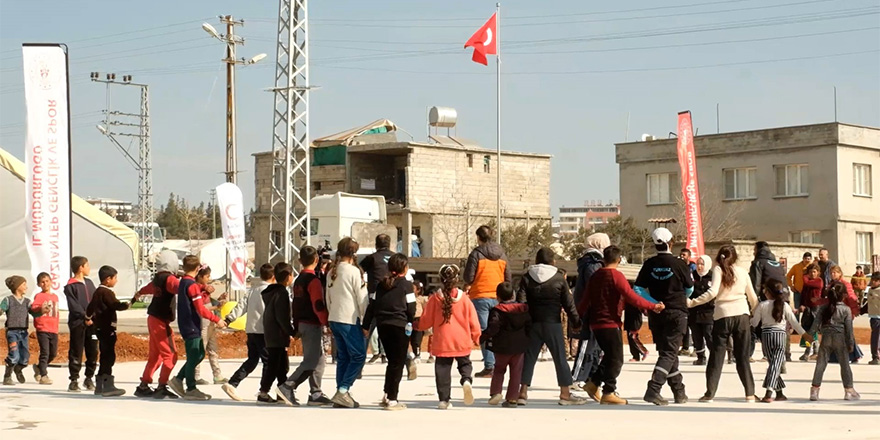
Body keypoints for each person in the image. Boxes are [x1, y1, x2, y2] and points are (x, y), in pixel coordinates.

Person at [580, 246, 665, 405]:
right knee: (617, 359)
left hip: (596, 323)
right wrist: (653, 306)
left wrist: (576, 318)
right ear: (619, 260)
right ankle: (608, 392)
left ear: (604, 259)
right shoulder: (617, 276)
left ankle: (593, 384)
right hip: (610, 323)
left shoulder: (595, 276)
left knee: (610, 356)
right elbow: (632, 297)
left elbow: (585, 300)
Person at [688, 245, 759, 403]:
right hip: (742, 315)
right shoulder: (742, 271)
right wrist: (754, 314)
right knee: (742, 357)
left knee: (716, 356)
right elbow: (753, 297)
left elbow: (712, 293)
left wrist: (692, 303)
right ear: (735, 257)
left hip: (723, 316)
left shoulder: (718, 270)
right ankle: (750, 394)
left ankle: (710, 393)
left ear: (719, 257)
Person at [517, 247, 586, 406]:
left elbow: (521, 302)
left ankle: (522, 393)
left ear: (536, 260)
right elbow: (568, 303)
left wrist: (522, 322)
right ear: (553, 261)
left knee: (529, 357)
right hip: (553, 323)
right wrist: (576, 322)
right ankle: (565, 394)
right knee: (560, 358)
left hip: (533, 323)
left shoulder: (527, 277)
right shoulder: (558, 278)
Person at [634, 228, 694, 406]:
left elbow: (637, 289)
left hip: (656, 313)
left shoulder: (649, 263)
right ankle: (654, 389)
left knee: (667, 352)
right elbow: (689, 287)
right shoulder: (679, 263)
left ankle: (679, 391)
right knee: (669, 352)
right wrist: (682, 297)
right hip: (676, 311)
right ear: (671, 242)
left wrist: (653, 303)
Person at [416, 264, 481, 410]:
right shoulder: (464, 299)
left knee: (442, 370)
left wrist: (417, 325)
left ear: (440, 279)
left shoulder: (434, 298)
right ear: (457, 279)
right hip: (461, 340)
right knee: (465, 363)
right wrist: (477, 336)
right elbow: (473, 320)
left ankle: (444, 400)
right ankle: (466, 380)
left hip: (442, 342)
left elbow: (426, 321)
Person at [278, 248, 334, 407]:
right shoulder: (313, 281)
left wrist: (295, 325)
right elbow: (318, 304)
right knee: (311, 361)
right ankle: (288, 386)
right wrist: (326, 322)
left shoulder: (298, 280)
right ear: (316, 260)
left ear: (300, 261)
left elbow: (296, 305)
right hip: (312, 323)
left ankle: (315, 393)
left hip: (302, 322)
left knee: (320, 360)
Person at [360, 253, 416, 411]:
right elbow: (411, 307)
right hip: (399, 326)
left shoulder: (380, 285)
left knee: (392, 362)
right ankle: (392, 398)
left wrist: (365, 326)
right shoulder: (406, 285)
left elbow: (372, 306)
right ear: (404, 268)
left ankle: (386, 393)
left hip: (383, 325)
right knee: (397, 364)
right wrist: (412, 322)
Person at [168, 256, 227, 401]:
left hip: (187, 323)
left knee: (199, 353)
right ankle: (191, 388)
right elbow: (201, 309)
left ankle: (179, 379)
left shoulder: (184, 282)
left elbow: (194, 289)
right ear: (197, 269)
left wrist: (205, 288)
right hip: (192, 325)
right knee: (194, 354)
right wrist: (217, 319)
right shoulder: (192, 286)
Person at [325, 237, 369, 408]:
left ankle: (340, 392)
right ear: (354, 253)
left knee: (343, 357)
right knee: (358, 356)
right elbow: (362, 299)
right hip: (349, 319)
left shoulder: (331, 271)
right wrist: (366, 321)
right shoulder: (353, 271)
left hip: (334, 317)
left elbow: (327, 297)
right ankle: (343, 390)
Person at [751, 280, 811, 403]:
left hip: (766, 336)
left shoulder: (762, 305)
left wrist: (748, 318)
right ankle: (769, 392)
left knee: (773, 364)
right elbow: (794, 322)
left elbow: (754, 322)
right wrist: (804, 334)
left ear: (767, 292)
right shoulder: (785, 305)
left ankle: (779, 393)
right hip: (780, 335)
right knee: (776, 364)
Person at [221, 263, 274, 402]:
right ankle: (264, 391)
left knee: (252, 359)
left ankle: (233, 382)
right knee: (268, 362)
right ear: (273, 277)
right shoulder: (272, 292)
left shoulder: (252, 291)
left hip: (251, 330)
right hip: (264, 331)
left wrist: (229, 319)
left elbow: (240, 307)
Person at [463, 225, 511, 377]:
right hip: (498, 297)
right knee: (498, 331)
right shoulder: (502, 255)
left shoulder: (476, 254)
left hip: (480, 296)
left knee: (484, 332)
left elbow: (468, 277)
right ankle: (499, 365)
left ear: (479, 238)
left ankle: (489, 366)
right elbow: (508, 278)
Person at [134, 250, 182, 399]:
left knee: (156, 356)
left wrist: (138, 294)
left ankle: (144, 385)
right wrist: (200, 288)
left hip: (152, 318)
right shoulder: (170, 280)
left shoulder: (157, 279)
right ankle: (162, 386)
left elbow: (146, 289)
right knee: (171, 355)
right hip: (161, 321)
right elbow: (183, 288)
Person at [480, 282, 530, 407]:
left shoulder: (497, 311)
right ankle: (512, 398)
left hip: (502, 346)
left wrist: (482, 337)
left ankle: (496, 392)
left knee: (499, 369)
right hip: (519, 346)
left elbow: (493, 327)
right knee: (516, 372)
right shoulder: (524, 309)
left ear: (497, 296)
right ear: (513, 295)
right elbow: (529, 326)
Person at [570, 232, 609, 389]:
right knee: (587, 343)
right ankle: (575, 377)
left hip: (591, 308)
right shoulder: (593, 263)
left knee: (595, 346)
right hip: (590, 309)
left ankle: (591, 378)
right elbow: (595, 287)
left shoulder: (592, 261)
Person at [809, 283, 860, 401]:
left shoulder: (823, 308)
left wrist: (810, 336)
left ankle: (814, 391)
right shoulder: (846, 309)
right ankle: (848, 391)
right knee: (844, 365)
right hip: (840, 338)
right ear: (843, 296)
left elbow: (815, 324)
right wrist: (851, 343)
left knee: (821, 364)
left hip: (826, 337)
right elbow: (849, 329)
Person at [86, 265, 130, 397]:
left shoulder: (97, 292)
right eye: (115, 278)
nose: (116, 281)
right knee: (109, 356)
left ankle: (100, 385)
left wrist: (88, 318)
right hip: (107, 328)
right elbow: (115, 305)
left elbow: (90, 307)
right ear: (107, 279)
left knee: (104, 353)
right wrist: (128, 304)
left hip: (99, 327)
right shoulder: (107, 292)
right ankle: (107, 384)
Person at [2, 276, 48, 385]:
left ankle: (19, 369)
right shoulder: (8, 300)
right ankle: (7, 376)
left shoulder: (27, 301)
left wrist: (42, 311)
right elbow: (1, 309)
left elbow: (34, 312)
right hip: (12, 332)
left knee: (25, 358)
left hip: (23, 333)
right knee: (14, 355)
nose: (26, 287)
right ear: (17, 287)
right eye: (23, 284)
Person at [261, 262, 296, 405]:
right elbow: (282, 317)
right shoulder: (281, 293)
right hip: (277, 334)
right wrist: (291, 331)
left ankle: (282, 391)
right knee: (274, 364)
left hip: (271, 332)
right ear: (288, 277)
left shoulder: (272, 291)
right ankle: (263, 391)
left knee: (282, 365)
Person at [64, 256, 98, 392]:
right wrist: (85, 316)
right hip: (78, 323)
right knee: (76, 351)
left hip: (92, 324)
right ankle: (73, 380)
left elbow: (95, 300)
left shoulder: (89, 283)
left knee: (93, 350)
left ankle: (89, 378)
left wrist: (93, 316)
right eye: (87, 265)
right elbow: (74, 306)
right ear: (81, 268)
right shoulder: (70, 286)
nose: (89, 268)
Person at [360, 234, 393, 364]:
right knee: (392, 331)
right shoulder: (395, 258)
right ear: (389, 244)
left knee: (367, 329)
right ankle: (407, 360)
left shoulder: (372, 258)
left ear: (376, 244)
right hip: (393, 298)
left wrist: (362, 283)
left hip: (375, 297)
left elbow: (360, 270)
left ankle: (359, 365)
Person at [194, 268, 226, 386]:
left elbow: (209, 304)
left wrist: (219, 301)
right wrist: (216, 308)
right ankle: (195, 375)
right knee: (200, 350)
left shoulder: (205, 289)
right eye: (207, 276)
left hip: (210, 321)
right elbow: (201, 309)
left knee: (213, 349)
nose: (209, 279)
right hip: (203, 322)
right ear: (200, 276)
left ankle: (217, 375)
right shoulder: (196, 289)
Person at [828, 265, 863, 363]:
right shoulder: (830, 285)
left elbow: (852, 298)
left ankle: (854, 355)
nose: (833, 274)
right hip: (834, 313)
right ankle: (835, 356)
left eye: (835, 272)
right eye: (831, 273)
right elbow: (828, 300)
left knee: (847, 334)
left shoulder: (845, 284)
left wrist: (854, 310)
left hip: (845, 313)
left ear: (840, 273)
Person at [31, 272, 60, 385]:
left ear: (51, 282)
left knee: (53, 353)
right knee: (45, 352)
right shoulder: (39, 296)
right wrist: (41, 307)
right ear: (39, 284)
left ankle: (39, 368)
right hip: (43, 328)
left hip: (53, 329)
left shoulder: (55, 297)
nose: (45, 284)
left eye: (47, 281)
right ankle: (43, 375)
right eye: (42, 282)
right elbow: (34, 307)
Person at [690, 255, 715, 366]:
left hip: (708, 312)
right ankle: (701, 357)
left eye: (702, 264)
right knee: (696, 336)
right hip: (694, 311)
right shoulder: (691, 276)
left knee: (709, 334)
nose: (699, 266)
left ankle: (714, 357)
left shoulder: (713, 276)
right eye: (698, 264)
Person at [799, 264, 824, 361]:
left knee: (813, 330)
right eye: (810, 272)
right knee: (807, 329)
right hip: (808, 308)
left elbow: (806, 282)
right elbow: (803, 294)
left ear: (818, 273)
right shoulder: (807, 283)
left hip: (816, 308)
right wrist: (802, 305)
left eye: (814, 272)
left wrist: (804, 275)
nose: (812, 274)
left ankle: (815, 351)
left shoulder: (818, 281)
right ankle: (808, 350)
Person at [678, 248, 696, 356]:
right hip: (682, 299)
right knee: (685, 324)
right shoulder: (679, 266)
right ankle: (685, 347)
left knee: (694, 325)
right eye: (681, 254)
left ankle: (697, 348)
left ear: (689, 256)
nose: (682, 256)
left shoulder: (692, 268)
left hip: (691, 299)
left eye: (684, 255)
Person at [409, 281, 428, 362]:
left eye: (413, 288)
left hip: (418, 320)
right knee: (411, 338)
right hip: (411, 320)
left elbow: (426, 309)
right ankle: (414, 352)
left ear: (418, 290)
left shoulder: (422, 299)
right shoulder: (409, 298)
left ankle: (418, 354)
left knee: (417, 339)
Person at [864, 272, 880, 365]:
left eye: (875, 280)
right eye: (872, 280)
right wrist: (861, 310)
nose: (873, 282)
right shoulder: (870, 290)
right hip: (873, 317)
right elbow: (868, 304)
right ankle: (875, 356)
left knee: (877, 338)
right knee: (875, 337)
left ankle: (876, 356)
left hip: (879, 317)